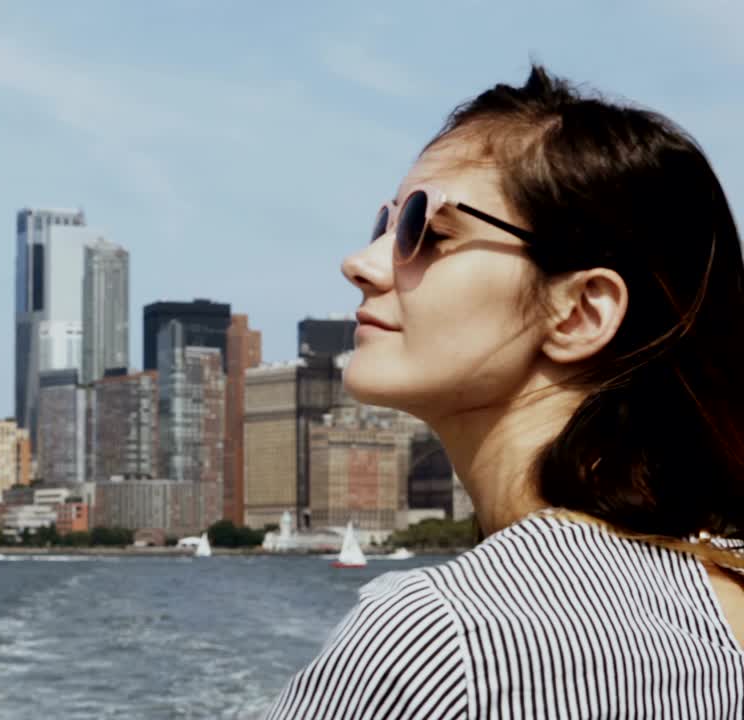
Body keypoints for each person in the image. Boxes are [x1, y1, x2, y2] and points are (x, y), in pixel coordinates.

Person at [267, 66, 744, 719]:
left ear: (579, 312)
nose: (361, 263)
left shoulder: (439, 641)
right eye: (385, 226)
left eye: (427, 232)